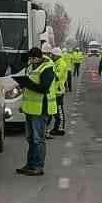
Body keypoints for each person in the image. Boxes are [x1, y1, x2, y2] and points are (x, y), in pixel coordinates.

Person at [15, 46, 55, 176]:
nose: (31, 60)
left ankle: (38, 166)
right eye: (30, 58)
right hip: (30, 109)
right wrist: (21, 85)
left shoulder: (47, 68)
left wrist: (26, 83)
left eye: (33, 58)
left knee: (38, 139)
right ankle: (30, 164)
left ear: (39, 57)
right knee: (30, 139)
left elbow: (44, 88)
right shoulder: (30, 67)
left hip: (41, 109)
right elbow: (29, 87)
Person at [47, 48, 66, 137]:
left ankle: (60, 128)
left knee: (59, 110)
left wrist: (50, 71)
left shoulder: (61, 63)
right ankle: (55, 128)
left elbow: (58, 76)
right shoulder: (55, 63)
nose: (51, 56)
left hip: (58, 91)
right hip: (53, 91)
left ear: (57, 55)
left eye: (53, 55)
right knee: (53, 110)